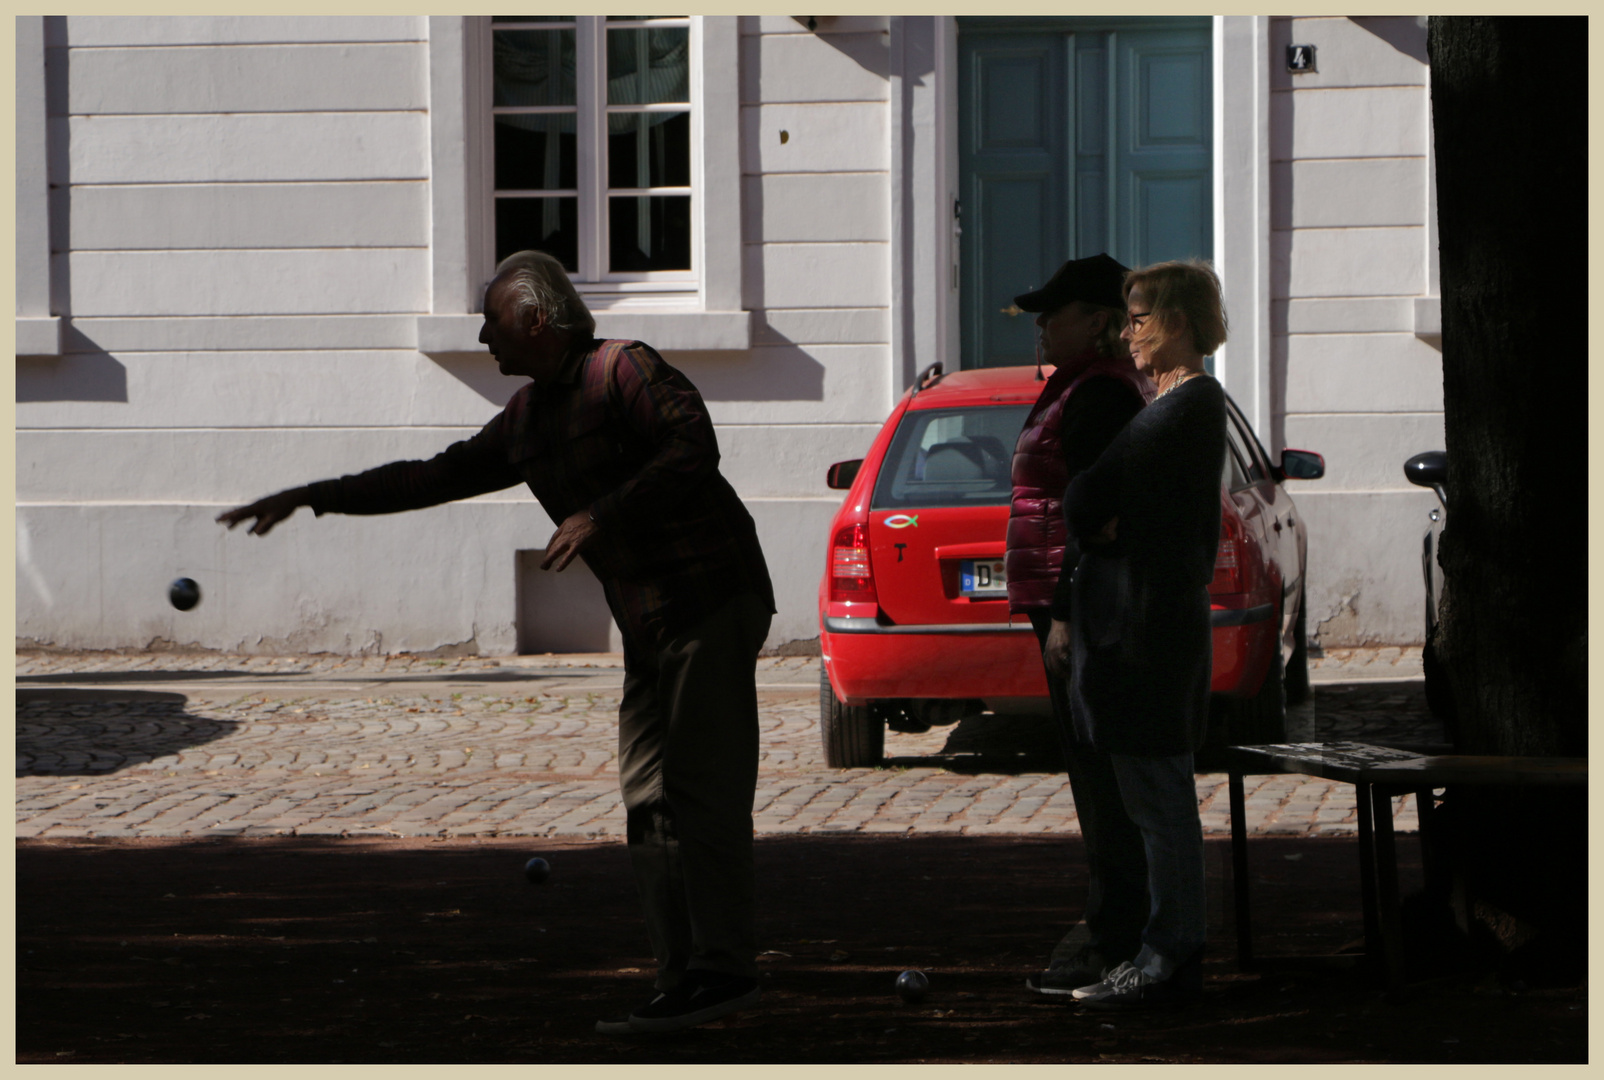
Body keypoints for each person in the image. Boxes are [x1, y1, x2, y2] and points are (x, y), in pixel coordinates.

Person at [217, 250, 776, 1036]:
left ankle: (723, 970)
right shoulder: (528, 417)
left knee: (698, 791)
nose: (482, 335)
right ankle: (681, 976)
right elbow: (430, 476)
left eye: (491, 320)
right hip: (649, 622)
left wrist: (600, 514)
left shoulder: (625, 370)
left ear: (537, 319)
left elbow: (692, 449)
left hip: (711, 598)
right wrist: (315, 496)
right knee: (647, 798)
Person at [1060, 259, 1229, 1009]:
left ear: (1179, 323)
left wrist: (1103, 521)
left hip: (1148, 637)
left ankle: (1168, 957)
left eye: (1139, 318)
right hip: (1148, 628)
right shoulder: (1174, 410)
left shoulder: (1180, 410)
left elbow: (1084, 495)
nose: (1127, 333)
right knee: (1156, 804)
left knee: (1161, 808)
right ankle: (1167, 952)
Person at [1004, 254, 1156, 998]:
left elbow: (1094, 514)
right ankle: (1114, 926)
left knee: (1102, 775)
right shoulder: (1079, 387)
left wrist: (1065, 612)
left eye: (1053, 312)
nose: (1040, 325)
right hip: (1070, 602)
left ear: (1095, 319)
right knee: (1094, 771)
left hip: (1087, 608)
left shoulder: (1098, 395)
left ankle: (1116, 938)